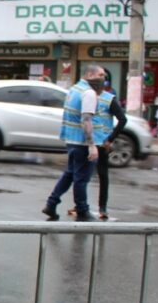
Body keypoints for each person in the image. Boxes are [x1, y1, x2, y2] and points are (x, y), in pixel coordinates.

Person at [43, 64, 113, 222]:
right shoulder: (88, 93)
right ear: (89, 74)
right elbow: (86, 119)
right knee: (81, 178)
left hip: (71, 139)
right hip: (82, 142)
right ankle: (82, 210)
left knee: (69, 174)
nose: (103, 79)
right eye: (101, 75)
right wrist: (92, 145)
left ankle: (51, 203)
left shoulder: (74, 89)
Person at [68, 92, 127, 220]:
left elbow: (123, 119)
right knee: (86, 176)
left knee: (95, 175)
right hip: (89, 141)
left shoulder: (108, 99)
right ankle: (85, 206)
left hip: (99, 142)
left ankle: (99, 207)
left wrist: (110, 139)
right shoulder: (86, 95)